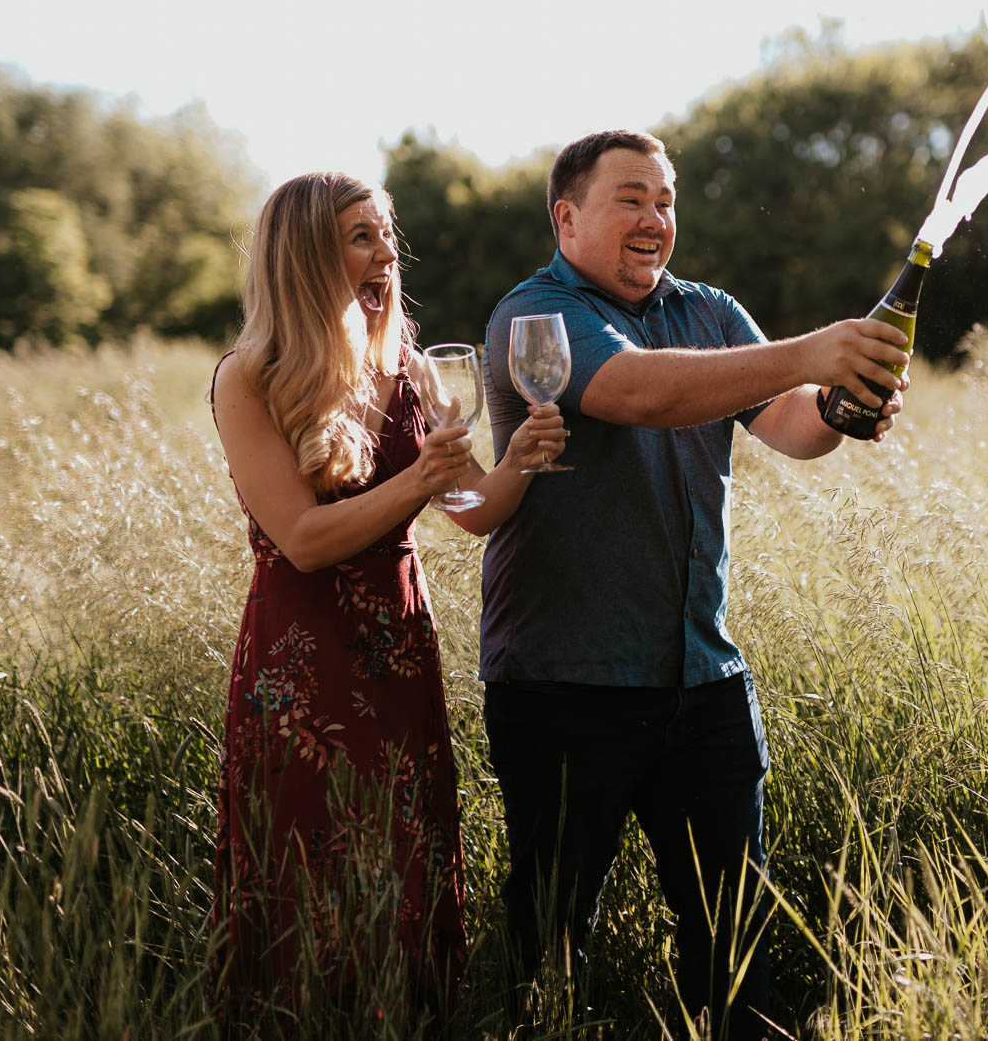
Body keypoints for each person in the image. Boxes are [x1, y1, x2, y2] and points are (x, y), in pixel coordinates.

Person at [479, 130, 910, 1036]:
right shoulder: (534, 314)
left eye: (666, 200)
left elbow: (794, 427)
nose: (655, 218)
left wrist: (844, 401)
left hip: (703, 681)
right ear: (568, 216)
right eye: (631, 198)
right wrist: (814, 351)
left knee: (734, 941)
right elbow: (639, 393)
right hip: (564, 685)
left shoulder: (709, 310)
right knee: (548, 947)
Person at [208, 170, 566, 1028]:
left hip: (397, 650)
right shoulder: (248, 377)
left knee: (404, 859)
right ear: (306, 257)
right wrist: (419, 482)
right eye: (361, 235)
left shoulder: (410, 367)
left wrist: (519, 463)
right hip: (302, 662)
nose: (386, 251)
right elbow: (302, 539)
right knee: (308, 863)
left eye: (386, 233)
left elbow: (471, 511)